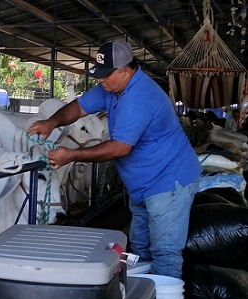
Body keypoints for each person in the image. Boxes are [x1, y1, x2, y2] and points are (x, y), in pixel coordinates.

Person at [27, 40, 201, 279]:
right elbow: (78, 107)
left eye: (106, 75)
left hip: (168, 183)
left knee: (164, 252)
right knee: (139, 248)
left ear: (126, 71)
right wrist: (52, 122)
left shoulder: (139, 98)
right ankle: (142, 298)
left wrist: (72, 155)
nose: (100, 80)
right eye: (99, 74)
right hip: (142, 185)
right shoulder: (112, 88)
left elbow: (120, 148)